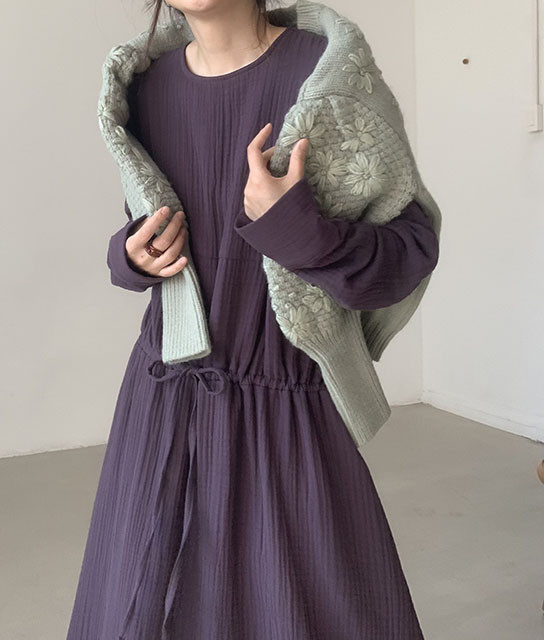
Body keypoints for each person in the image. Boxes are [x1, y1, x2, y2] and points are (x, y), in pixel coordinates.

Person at [67, 1, 439, 638]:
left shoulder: (330, 77)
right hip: (161, 402)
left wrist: (298, 230)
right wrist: (129, 256)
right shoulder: (145, 90)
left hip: (284, 404)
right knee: (139, 604)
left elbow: (409, 253)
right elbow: (143, 223)